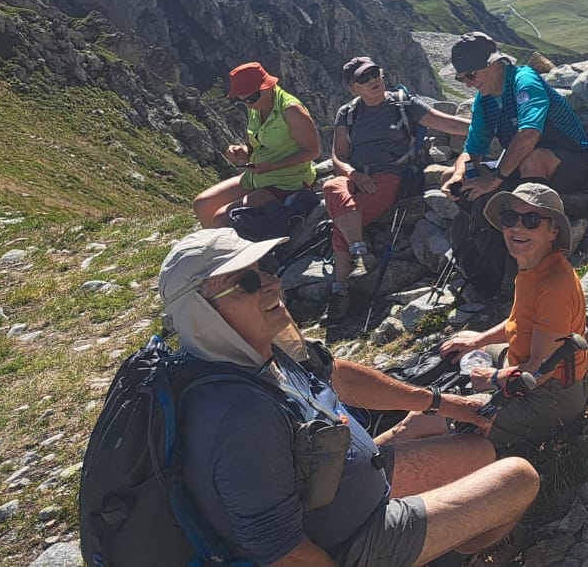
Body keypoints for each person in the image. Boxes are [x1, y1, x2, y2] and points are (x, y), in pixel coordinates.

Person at [159, 228, 537, 566]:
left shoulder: (258, 351)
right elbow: (284, 554)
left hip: (344, 489)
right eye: (246, 281)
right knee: (518, 478)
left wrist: (440, 402)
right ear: (202, 313)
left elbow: (339, 378)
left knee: (477, 454)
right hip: (352, 544)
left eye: (266, 267)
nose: (273, 282)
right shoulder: (237, 414)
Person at [378, 183, 588, 451]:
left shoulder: (553, 286)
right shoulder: (534, 265)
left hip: (547, 398)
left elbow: (540, 371)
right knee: (462, 341)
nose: (518, 227)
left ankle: (361, 462)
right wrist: (478, 340)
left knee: (423, 421)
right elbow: (518, 323)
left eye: (532, 220)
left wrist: (493, 378)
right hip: (525, 366)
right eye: (510, 218)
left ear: (553, 231)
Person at [325, 56, 472, 319]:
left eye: (375, 73)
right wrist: (353, 174)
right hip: (356, 174)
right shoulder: (347, 113)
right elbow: (339, 156)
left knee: (342, 221)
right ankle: (359, 248)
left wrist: (485, 129)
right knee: (333, 186)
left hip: (389, 175)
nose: (373, 80)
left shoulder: (404, 105)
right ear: (353, 88)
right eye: (364, 78)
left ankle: (340, 290)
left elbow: (447, 123)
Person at [445, 33, 588, 199]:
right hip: (519, 164)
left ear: (494, 63)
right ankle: (484, 222)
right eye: (460, 78)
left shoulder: (524, 81)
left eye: (471, 74)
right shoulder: (484, 99)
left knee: (533, 159)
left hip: (571, 160)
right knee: (450, 175)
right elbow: (472, 149)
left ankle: (532, 217)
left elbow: (529, 135)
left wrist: (495, 179)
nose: (468, 83)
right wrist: (459, 174)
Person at [193, 62, 320, 228]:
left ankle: (235, 251)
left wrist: (273, 166)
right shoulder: (255, 108)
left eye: (252, 98)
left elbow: (313, 151)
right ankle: (217, 249)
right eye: (241, 99)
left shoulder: (291, 110)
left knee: (222, 218)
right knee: (202, 204)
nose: (248, 104)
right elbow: (251, 148)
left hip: (287, 181)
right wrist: (241, 152)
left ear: (268, 86)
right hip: (257, 177)